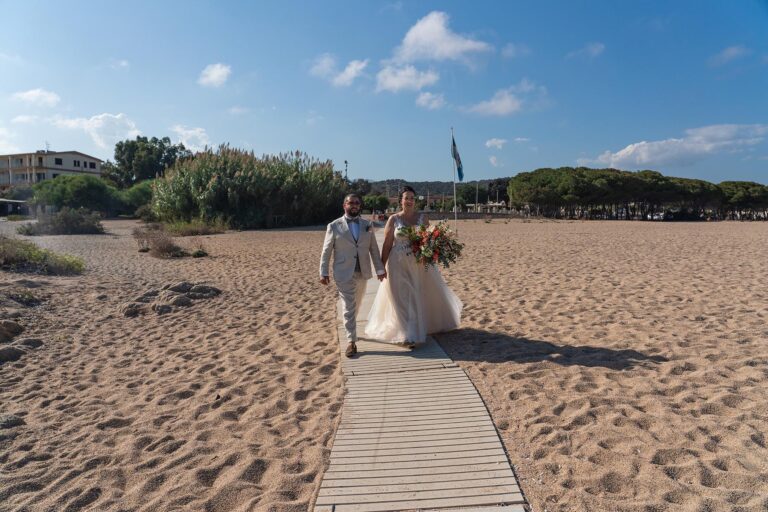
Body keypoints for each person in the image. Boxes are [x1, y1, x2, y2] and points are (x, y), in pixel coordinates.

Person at [365, 186, 462, 347]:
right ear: (400, 201)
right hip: (397, 262)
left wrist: (432, 252)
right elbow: (388, 244)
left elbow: (428, 239)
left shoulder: (422, 218)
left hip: (418, 262)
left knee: (416, 295)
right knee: (401, 296)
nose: (409, 201)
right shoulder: (393, 219)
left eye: (412, 198)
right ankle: (407, 333)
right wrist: (381, 267)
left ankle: (414, 328)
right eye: (406, 198)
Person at [319, 194, 386, 357]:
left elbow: (374, 250)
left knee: (357, 302)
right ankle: (351, 341)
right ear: (344, 205)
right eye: (351, 203)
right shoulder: (334, 226)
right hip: (343, 272)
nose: (354, 205)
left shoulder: (367, 224)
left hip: (362, 271)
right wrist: (323, 271)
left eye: (357, 203)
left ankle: (350, 325)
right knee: (349, 305)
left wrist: (380, 269)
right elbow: (326, 251)